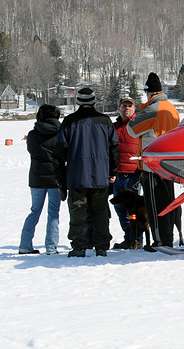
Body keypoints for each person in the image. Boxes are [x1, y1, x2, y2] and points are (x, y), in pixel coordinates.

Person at [53, 86, 118, 258]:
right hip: (100, 175)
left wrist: (62, 178)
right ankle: (102, 246)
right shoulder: (105, 121)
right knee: (101, 213)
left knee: (78, 214)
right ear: (95, 101)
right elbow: (114, 148)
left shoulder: (69, 121)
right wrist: (113, 170)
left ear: (78, 102)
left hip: (76, 176)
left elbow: (59, 152)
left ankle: (79, 246)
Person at [128, 72, 180, 246]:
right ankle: (168, 238)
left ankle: (159, 240)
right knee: (168, 204)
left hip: (152, 165)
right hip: (169, 163)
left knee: (154, 205)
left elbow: (132, 129)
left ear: (149, 93)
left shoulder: (152, 109)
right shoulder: (171, 108)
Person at [20, 104, 62, 255]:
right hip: (55, 177)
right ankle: (51, 247)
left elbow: (32, 151)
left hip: (36, 177)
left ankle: (25, 245)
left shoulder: (32, 134)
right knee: (53, 213)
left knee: (34, 211)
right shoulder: (61, 133)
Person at [111, 96, 142, 249]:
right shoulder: (114, 127)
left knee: (134, 209)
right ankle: (128, 237)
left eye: (130, 106)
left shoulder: (139, 125)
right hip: (117, 174)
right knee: (120, 209)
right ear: (119, 108)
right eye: (124, 106)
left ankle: (137, 238)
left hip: (134, 174)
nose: (127, 108)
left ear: (134, 108)